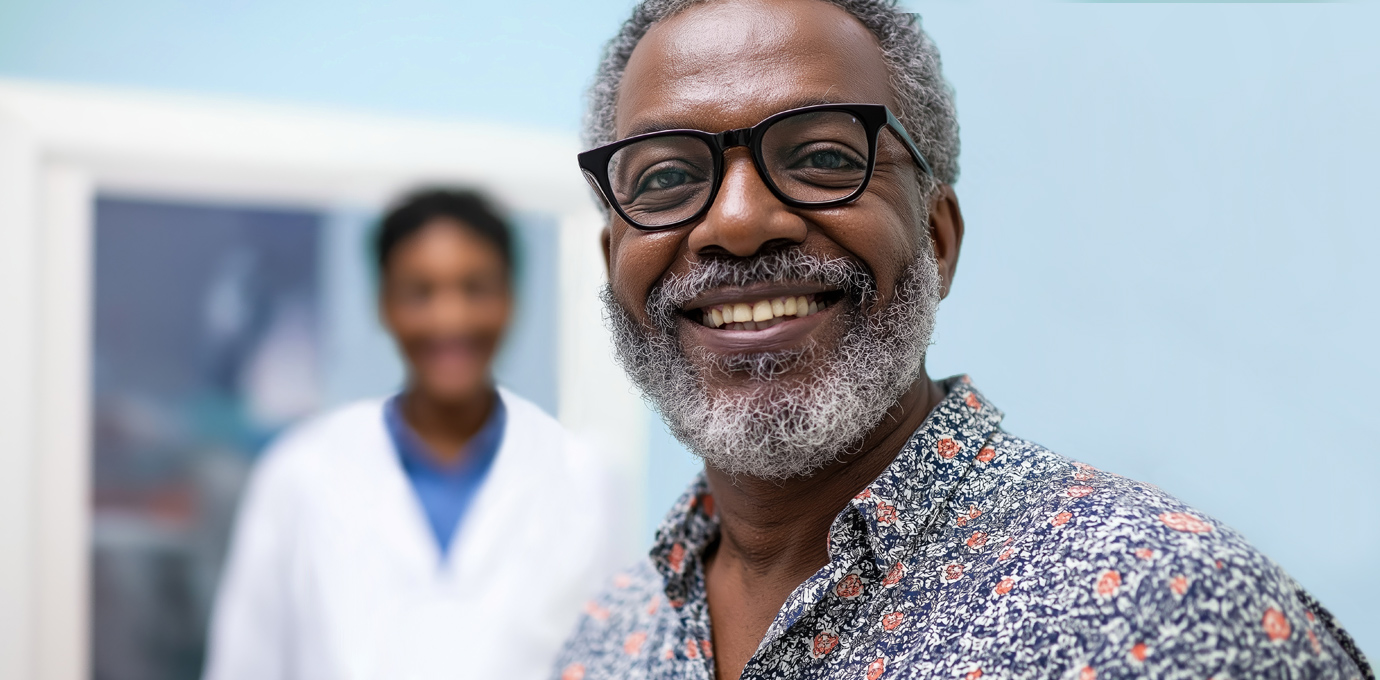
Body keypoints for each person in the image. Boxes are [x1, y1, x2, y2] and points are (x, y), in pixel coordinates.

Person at [553, 2, 1374, 679]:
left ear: (938, 237)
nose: (735, 223)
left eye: (822, 157)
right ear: (613, 263)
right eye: (664, 178)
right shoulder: (609, 641)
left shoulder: (1167, 612)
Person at [204, 189, 621, 680]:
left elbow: (613, 662)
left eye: (475, 288)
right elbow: (245, 664)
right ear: (383, 304)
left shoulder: (583, 477)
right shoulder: (299, 472)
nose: (450, 319)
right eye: (420, 292)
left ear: (511, 298)